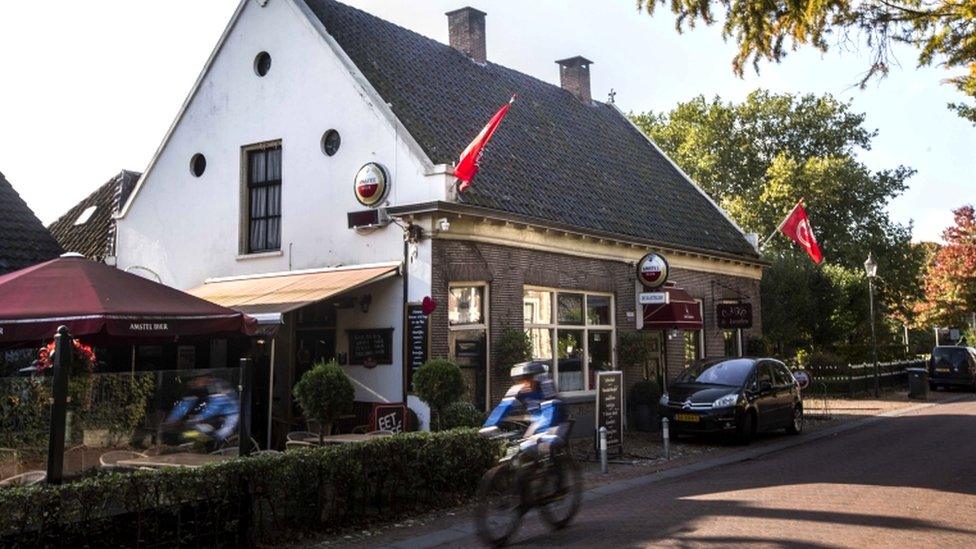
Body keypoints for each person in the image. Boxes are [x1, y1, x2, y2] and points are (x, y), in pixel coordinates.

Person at [481, 361, 570, 460]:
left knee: (544, 447)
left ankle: (556, 472)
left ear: (536, 378)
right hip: (538, 423)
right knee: (523, 448)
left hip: (557, 423)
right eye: (519, 381)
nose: (523, 384)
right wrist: (490, 425)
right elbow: (505, 405)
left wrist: (542, 432)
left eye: (526, 380)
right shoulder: (519, 390)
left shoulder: (546, 387)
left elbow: (551, 409)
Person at [162, 374, 240, 449]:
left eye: (196, 379)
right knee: (188, 434)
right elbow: (185, 404)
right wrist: (172, 420)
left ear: (205, 377)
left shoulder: (217, 386)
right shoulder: (196, 389)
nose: (193, 383)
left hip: (229, 417)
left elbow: (216, 405)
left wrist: (199, 418)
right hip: (212, 419)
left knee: (218, 436)